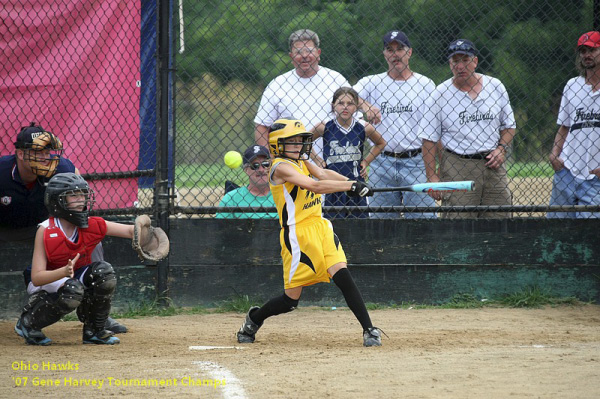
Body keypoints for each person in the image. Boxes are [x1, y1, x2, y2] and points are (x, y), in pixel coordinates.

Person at [236, 119, 384, 347]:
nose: (298, 146)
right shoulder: (280, 167)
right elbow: (313, 186)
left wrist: (355, 182)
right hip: (297, 235)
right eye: (292, 142)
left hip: (319, 226)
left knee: (342, 275)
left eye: (300, 141)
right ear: (277, 145)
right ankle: (254, 319)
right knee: (290, 301)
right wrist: (349, 187)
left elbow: (323, 175)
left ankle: (369, 329)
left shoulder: (302, 160)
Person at [0, 122, 127, 333]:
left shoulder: (61, 169)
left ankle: (96, 316)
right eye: (38, 152)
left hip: (43, 229)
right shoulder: (3, 172)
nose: (45, 157)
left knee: (90, 237)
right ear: (20, 154)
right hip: (3, 227)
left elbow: (79, 208)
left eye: (48, 151)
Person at [13, 173, 145, 345]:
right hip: (47, 280)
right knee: (72, 290)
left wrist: (147, 231)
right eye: (74, 195)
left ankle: (94, 331)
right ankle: (28, 323)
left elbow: (130, 231)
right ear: (57, 200)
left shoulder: (90, 224)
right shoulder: (46, 230)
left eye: (83, 194)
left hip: (72, 276)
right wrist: (63, 272)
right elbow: (37, 278)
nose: (81, 199)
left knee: (103, 273)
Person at [419, 39, 516, 219]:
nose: (460, 66)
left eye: (465, 60)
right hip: (457, 164)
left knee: (500, 219)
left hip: (492, 164)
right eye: (455, 61)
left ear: (475, 61)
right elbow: (428, 139)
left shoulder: (495, 86)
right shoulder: (440, 94)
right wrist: (432, 177)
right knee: (458, 224)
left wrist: (501, 149)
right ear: (450, 64)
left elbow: (509, 126)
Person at [254, 29, 381, 159]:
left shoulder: (335, 79)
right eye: (298, 52)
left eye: (309, 50)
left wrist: (366, 106)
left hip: (333, 162)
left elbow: (353, 104)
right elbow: (262, 126)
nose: (304, 55)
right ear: (291, 56)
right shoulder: (277, 84)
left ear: (318, 53)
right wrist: (271, 158)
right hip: (293, 164)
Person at [354, 30, 437, 219]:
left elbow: (434, 128)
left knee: (422, 221)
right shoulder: (372, 82)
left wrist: (435, 168)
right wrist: (366, 106)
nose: (395, 54)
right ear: (384, 54)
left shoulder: (425, 84)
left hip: (416, 161)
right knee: (380, 223)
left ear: (410, 53)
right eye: (389, 49)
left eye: (400, 49)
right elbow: (343, 96)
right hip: (381, 162)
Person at [310, 87, 386, 218]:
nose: (345, 107)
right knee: (332, 227)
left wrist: (366, 161)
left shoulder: (363, 126)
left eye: (350, 103)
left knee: (359, 227)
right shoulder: (325, 126)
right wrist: (317, 160)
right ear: (333, 106)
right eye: (340, 103)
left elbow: (381, 143)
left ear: (356, 107)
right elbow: (304, 142)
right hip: (332, 186)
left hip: (356, 185)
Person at [547, 31, 600, 218]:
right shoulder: (572, 86)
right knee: (557, 231)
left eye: (592, 49)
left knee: (591, 233)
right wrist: (554, 155)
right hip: (567, 171)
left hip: (596, 176)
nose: (587, 55)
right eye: (583, 51)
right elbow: (564, 126)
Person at [216, 145, 277, 219]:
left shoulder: (283, 194)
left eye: (265, 164)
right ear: (246, 170)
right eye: (255, 166)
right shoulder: (231, 199)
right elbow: (220, 228)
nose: (261, 170)